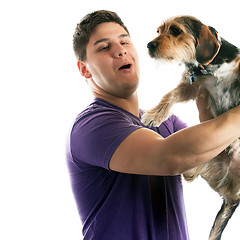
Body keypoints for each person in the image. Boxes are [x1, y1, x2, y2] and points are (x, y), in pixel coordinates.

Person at [66, 10, 240, 240]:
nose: (120, 50)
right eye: (104, 47)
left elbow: (210, 144)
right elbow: (171, 157)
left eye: (125, 41)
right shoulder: (92, 126)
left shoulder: (165, 124)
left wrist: (208, 85)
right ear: (84, 69)